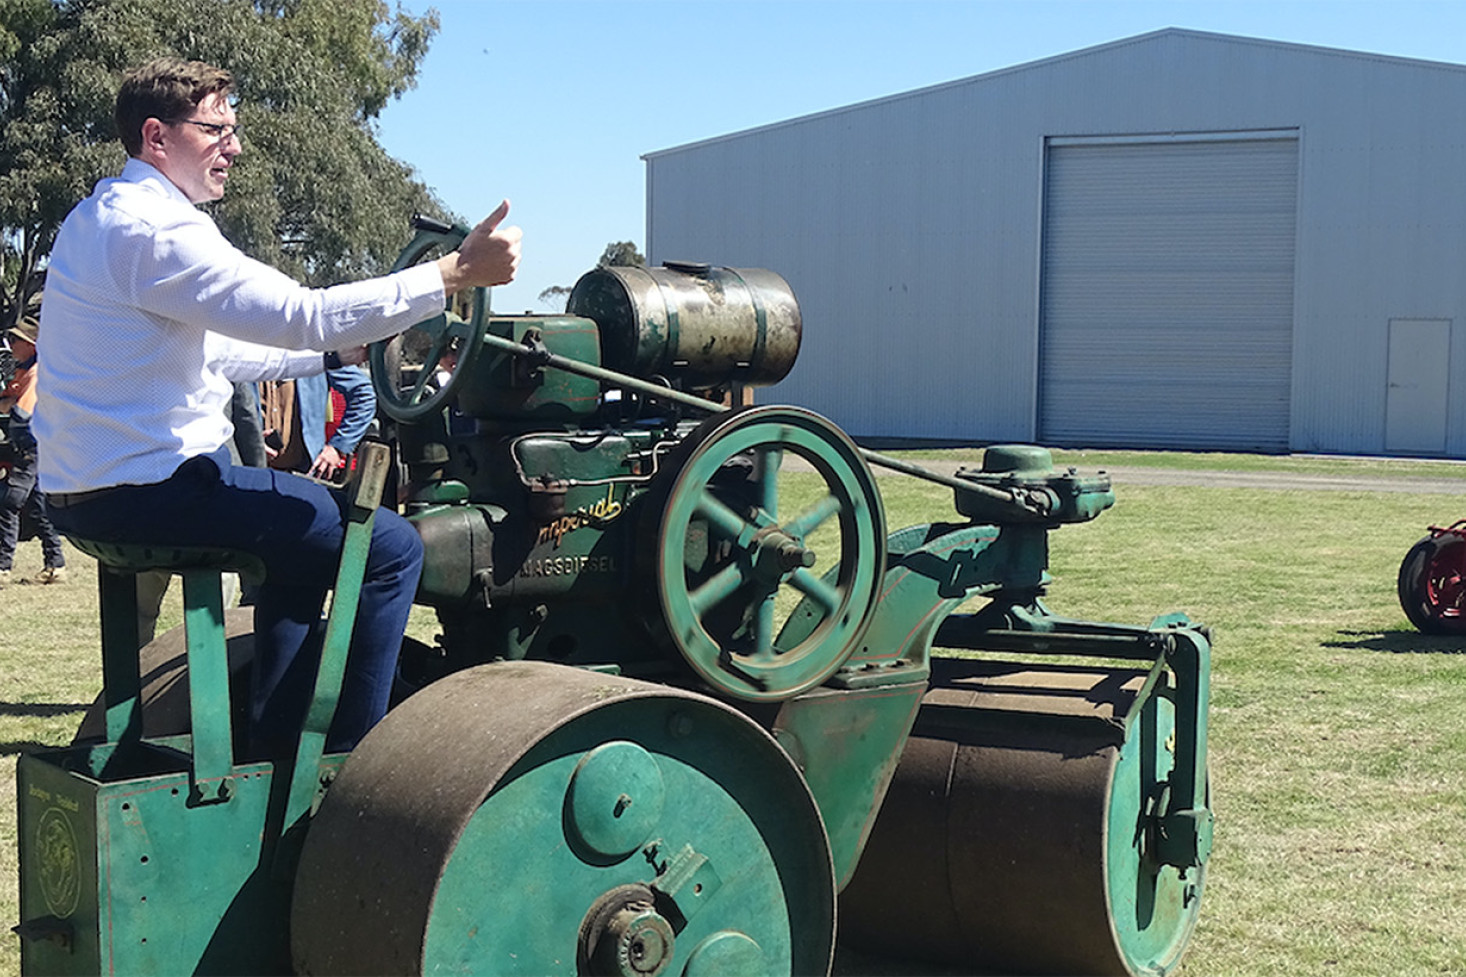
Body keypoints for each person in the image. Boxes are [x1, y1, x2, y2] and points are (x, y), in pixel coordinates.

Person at [35, 57, 520, 758]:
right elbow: (304, 312)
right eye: (215, 130)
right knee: (391, 548)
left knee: (296, 546)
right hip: (151, 491)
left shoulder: (99, 217)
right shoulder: (159, 232)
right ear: (155, 136)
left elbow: (221, 354)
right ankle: (355, 759)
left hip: (85, 492)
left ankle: (277, 737)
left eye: (233, 129)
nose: (233, 146)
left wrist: (338, 357)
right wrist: (451, 274)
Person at [0, 317, 67, 587]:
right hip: (33, 448)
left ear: (30, 345)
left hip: (32, 449)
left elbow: (19, 412)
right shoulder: (21, 369)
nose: (11, 344)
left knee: (8, 501)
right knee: (38, 509)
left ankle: (2, 568)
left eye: (16, 340)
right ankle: (56, 565)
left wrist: (10, 403)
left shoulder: (37, 373)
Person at [259, 366, 375, 480]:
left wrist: (338, 447)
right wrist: (251, 442)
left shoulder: (315, 352)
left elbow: (364, 394)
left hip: (303, 476)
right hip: (250, 471)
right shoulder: (246, 353)